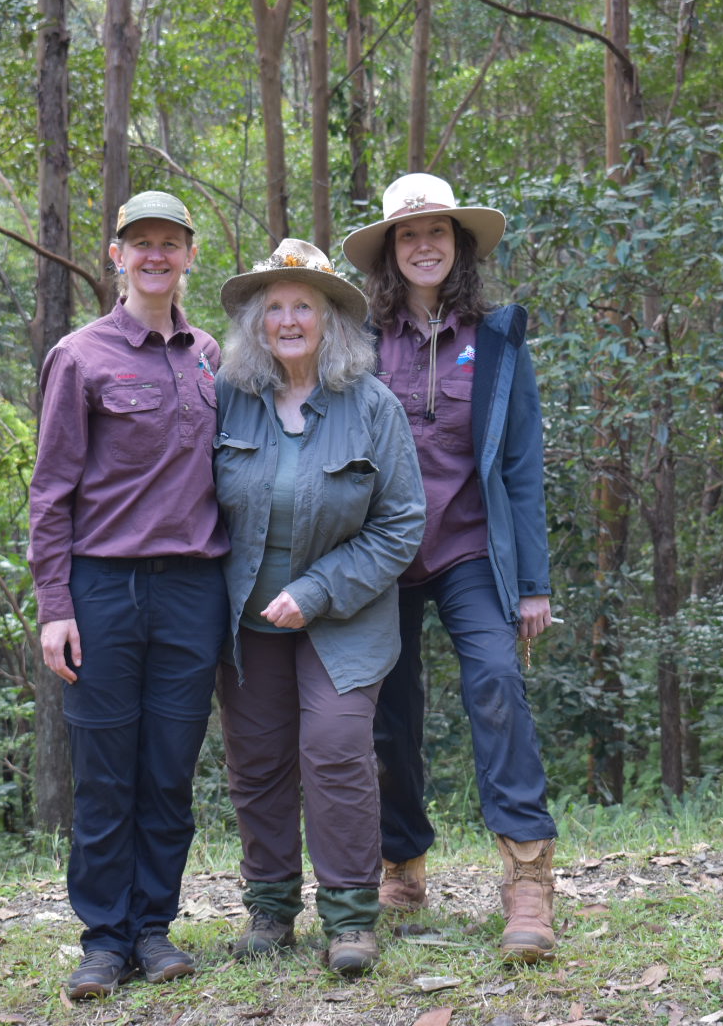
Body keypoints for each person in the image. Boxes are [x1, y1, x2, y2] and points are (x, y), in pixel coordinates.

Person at [341, 172, 561, 962]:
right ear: (390, 252)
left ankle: (528, 879)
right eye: (408, 234)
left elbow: (522, 465)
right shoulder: (357, 341)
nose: (424, 245)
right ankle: (401, 864)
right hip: (383, 554)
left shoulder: (497, 339)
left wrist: (533, 583)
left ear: (459, 245)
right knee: (387, 714)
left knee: (497, 683)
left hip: (471, 549)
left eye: (437, 231)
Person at [27, 190, 228, 1000]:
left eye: (169, 243)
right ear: (116, 256)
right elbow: (50, 491)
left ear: (189, 255)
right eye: (140, 242)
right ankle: (105, 942)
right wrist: (55, 605)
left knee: (169, 772)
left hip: (194, 591)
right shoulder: (79, 356)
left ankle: (154, 930)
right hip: (103, 589)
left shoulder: (210, 355)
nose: (155, 256)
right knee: (107, 775)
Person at [212, 238, 425, 977]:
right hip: (248, 619)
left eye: (304, 305)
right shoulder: (228, 399)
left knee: (336, 750)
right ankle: (270, 909)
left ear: (331, 320)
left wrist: (317, 590)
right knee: (257, 760)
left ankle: (350, 917)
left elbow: (401, 523)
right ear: (256, 325)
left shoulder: (373, 406)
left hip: (346, 615)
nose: (289, 320)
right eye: (275, 308)